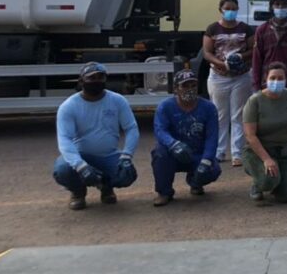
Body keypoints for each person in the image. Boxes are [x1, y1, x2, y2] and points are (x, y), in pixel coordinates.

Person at [53, 62, 139, 210]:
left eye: (100, 77)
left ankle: (106, 187)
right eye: (91, 78)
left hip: (109, 155)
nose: (96, 81)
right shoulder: (68, 106)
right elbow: (64, 139)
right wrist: (80, 166)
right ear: (81, 81)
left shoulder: (117, 100)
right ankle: (78, 192)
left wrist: (127, 156)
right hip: (81, 155)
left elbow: (131, 128)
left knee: (127, 174)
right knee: (62, 169)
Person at [241, 62, 287, 204]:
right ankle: (258, 181)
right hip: (260, 150)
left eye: (280, 78)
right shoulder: (255, 101)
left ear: (286, 79)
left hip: (286, 149)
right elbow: (250, 135)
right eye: (272, 78)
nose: (276, 81)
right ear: (266, 79)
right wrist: (266, 159)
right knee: (268, 181)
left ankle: (278, 179)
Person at [151, 70, 220, 206]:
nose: (190, 89)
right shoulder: (165, 106)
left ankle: (196, 182)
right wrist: (173, 144)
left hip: (197, 154)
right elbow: (160, 130)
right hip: (173, 153)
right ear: (176, 88)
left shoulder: (209, 108)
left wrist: (206, 160)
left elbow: (212, 137)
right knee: (159, 154)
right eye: (185, 86)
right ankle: (164, 192)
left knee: (213, 169)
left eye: (193, 85)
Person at [203, 0, 253, 167]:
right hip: (219, 76)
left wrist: (240, 57)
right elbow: (207, 52)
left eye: (233, 9)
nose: (230, 12)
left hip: (241, 76)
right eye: (227, 9)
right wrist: (221, 64)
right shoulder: (212, 29)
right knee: (220, 114)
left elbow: (253, 50)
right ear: (221, 10)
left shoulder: (246, 28)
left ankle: (237, 153)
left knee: (238, 114)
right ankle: (219, 151)